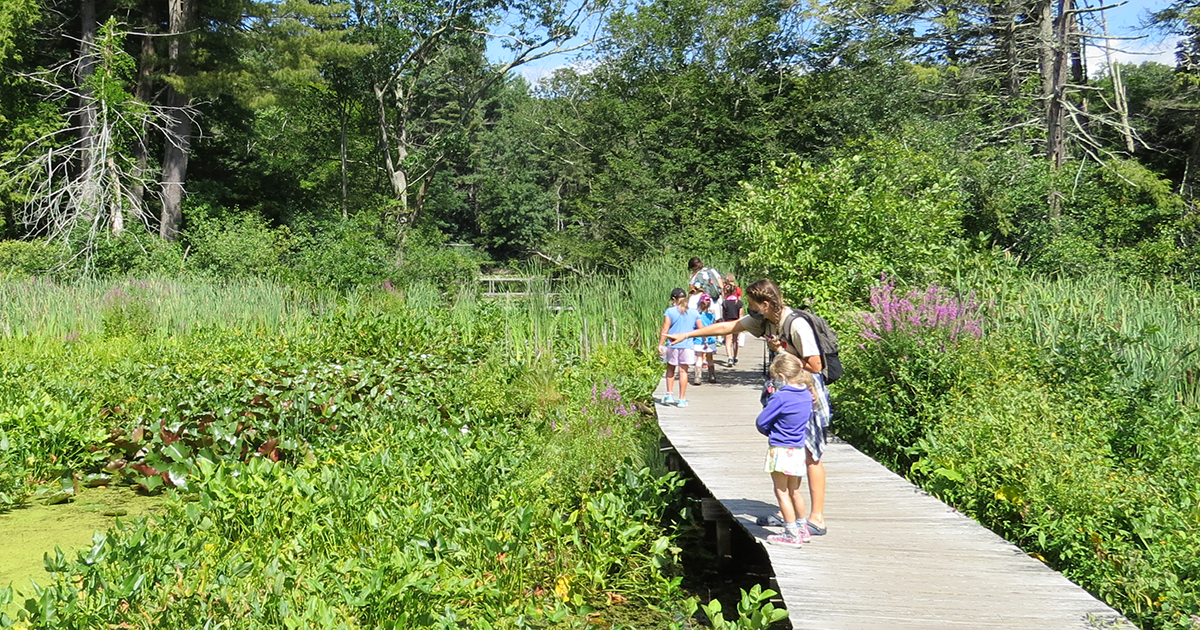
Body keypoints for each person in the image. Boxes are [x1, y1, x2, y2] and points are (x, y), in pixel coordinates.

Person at [666, 278, 831, 536]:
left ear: (765, 304)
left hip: (807, 393)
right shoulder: (765, 320)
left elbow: (816, 366)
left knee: (811, 453)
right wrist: (687, 334)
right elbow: (730, 326)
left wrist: (783, 350)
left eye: (754, 305)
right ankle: (787, 512)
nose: (751, 309)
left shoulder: (796, 325)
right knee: (793, 450)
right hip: (786, 390)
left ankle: (817, 518)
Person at [757, 353, 819, 548]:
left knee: (781, 492)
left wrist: (770, 431)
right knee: (795, 491)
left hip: (781, 449)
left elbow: (761, 421)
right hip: (798, 449)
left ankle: (791, 533)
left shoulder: (781, 397)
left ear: (781, 377)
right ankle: (802, 528)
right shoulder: (807, 394)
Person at [658, 287, 699, 408]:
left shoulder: (670, 311)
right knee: (683, 371)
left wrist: (660, 344)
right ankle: (681, 399)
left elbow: (665, 328)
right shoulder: (694, 312)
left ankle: (669, 395)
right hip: (687, 345)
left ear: (673, 299)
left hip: (672, 344)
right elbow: (700, 328)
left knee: (670, 369)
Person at [695, 294, 718, 383]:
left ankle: (698, 376)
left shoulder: (697, 315)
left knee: (699, 358)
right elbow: (714, 325)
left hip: (699, 338)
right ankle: (712, 375)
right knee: (710, 358)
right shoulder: (712, 315)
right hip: (710, 339)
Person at [721, 276, 743, 365]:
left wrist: (723, 322)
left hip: (727, 323)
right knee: (735, 340)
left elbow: (723, 315)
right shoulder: (739, 303)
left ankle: (729, 357)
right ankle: (735, 356)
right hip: (736, 323)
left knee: (728, 340)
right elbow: (740, 315)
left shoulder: (725, 303)